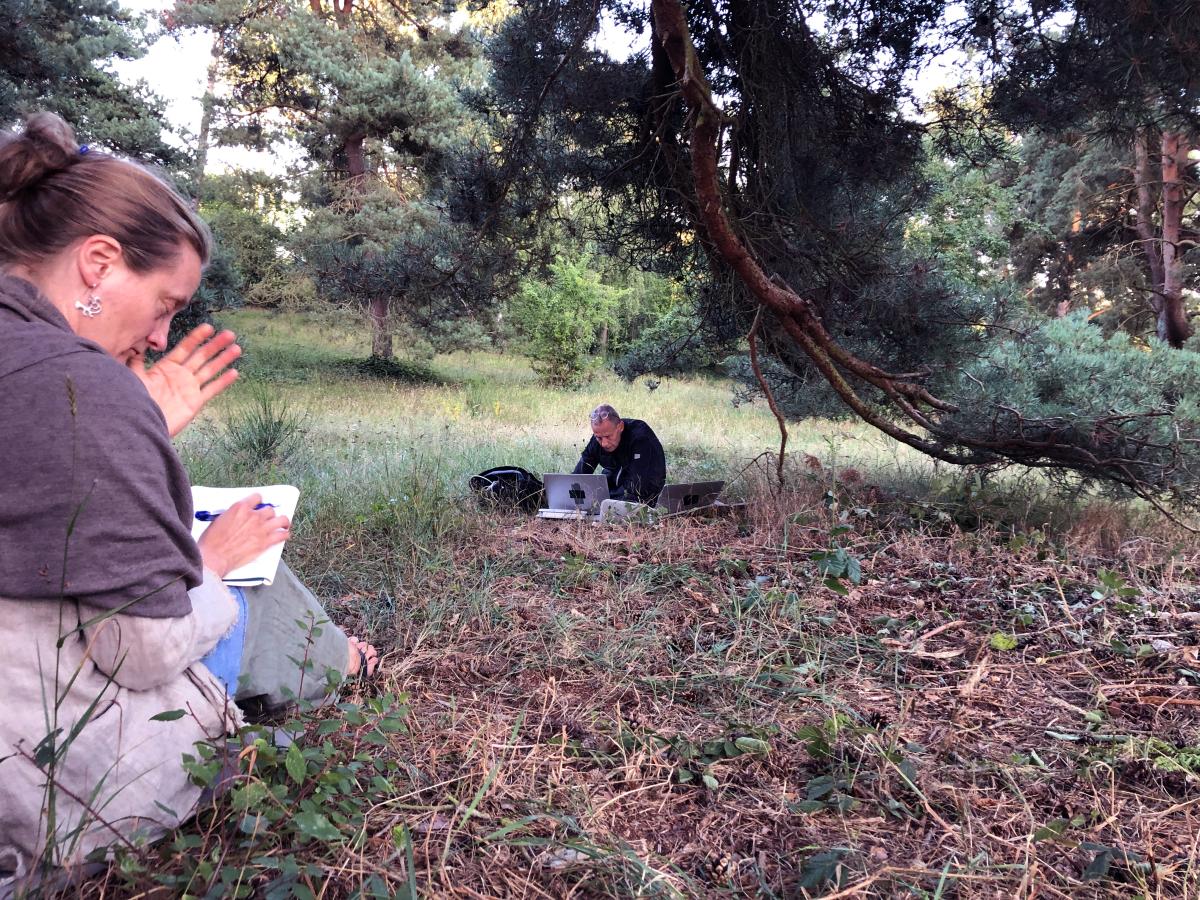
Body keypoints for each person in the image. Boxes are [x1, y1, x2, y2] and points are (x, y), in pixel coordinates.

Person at [0, 113, 377, 879]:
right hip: (33, 776)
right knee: (249, 582)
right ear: (99, 264)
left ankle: (338, 657)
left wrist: (143, 431)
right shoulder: (78, 385)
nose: (163, 339)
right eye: (168, 305)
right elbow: (142, 649)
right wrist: (208, 560)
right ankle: (343, 662)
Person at [572, 404, 666, 503]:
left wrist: (601, 500)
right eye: (599, 437)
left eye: (608, 436)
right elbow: (579, 475)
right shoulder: (599, 437)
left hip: (645, 490)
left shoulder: (640, 437)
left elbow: (637, 488)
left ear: (620, 427)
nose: (604, 444)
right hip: (614, 486)